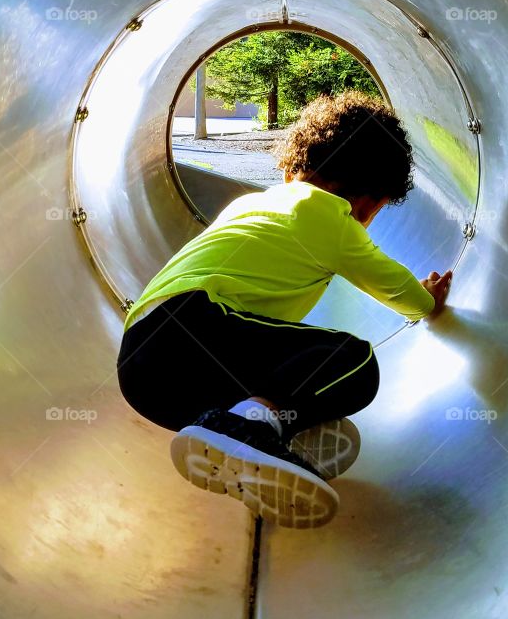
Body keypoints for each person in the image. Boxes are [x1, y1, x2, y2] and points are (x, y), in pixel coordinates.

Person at [116, 90, 452, 530]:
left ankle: (260, 432)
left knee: (291, 366)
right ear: (370, 202)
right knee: (352, 361)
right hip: (191, 328)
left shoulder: (249, 204)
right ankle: (250, 428)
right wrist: (429, 298)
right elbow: (395, 288)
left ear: (294, 166)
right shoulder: (331, 217)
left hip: (145, 369)